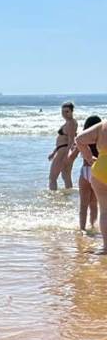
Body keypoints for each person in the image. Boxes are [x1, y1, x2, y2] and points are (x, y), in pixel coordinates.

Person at [76, 118, 107, 252]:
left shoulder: (102, 125)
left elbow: (79, 139)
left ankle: (106, 247)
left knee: (105, 210)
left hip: (100, 167)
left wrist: (89, 158)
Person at [69, 115, 100, 232]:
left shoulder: (82, 139)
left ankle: (82, 229)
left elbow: (71, 158)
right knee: (94, 204)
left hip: (85, 172)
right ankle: (93, 227)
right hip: (97, 172)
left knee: (83, 204)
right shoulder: (101, 139)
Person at [48, 101, 78, 190]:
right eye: (63, 112)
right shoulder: (68, 122)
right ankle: (68, 198)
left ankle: (52, 198)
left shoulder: (71, 123)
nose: (64, 114)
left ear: (72, 111)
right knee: (66, 176)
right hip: (61, 149)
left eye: (67, 111)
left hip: (63, 151)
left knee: (52, 178)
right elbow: (62, 140)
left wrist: (66, 155)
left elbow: (71, 140)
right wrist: (53, 153)